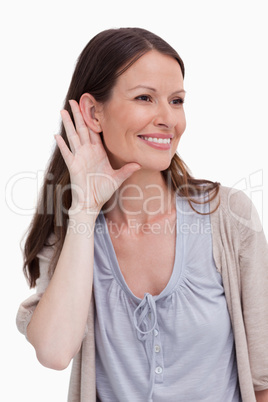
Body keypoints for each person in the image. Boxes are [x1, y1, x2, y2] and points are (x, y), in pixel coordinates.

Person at [16, 27, 268, 402]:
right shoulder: (71, 230)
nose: (169, 119)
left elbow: (263, 379)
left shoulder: (227, 217)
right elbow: (53, 352)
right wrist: (85, 209)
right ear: (92, 113)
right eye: (145, 98)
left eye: (177, 100)